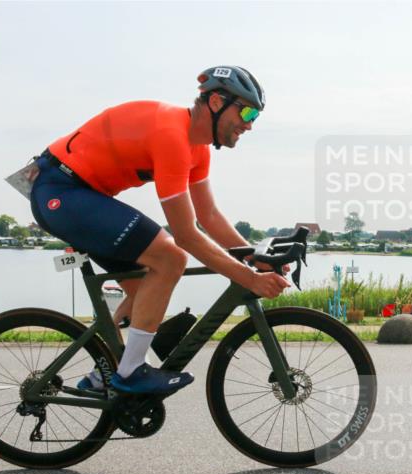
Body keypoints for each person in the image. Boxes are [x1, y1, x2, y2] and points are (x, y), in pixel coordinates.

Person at [29, 66, 290, 394]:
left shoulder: (198, 150)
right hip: (62, 191)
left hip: (81, 196)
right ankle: (129, 373)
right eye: (247, 111)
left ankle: (103, 375)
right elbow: (186, 235)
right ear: (215, 102)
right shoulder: (172, 135)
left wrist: (253, 256)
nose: (250, 124)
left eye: (256, 116)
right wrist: (249, 278)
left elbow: (208, 216)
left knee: (144, 289)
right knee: (170, 258)